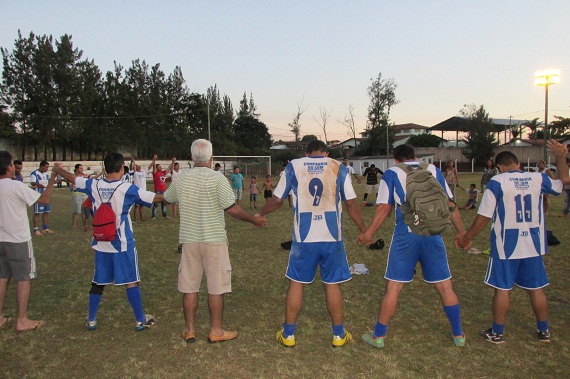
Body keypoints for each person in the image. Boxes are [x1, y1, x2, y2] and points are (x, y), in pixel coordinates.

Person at [256, 140, 366, 348]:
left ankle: (288, 335)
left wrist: (260, 213)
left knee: (296, 282)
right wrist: (364, 230)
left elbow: (277, 200)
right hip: (331, 237)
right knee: (332, 283)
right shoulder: (337, 166)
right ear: (325, 152)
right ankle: (338, 335)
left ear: (306, 153)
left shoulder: (294, 166)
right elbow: (351, 202)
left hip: (304, 238)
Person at [356, 144, 466, 349]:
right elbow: (450, 204)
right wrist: (461, 232)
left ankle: (378, 336)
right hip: (433, 235)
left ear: (395, 159)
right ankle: (458, 334)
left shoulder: (392, 173)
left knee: (394, 287)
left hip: (405, 236)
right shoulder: (433, 170)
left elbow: (385, 208)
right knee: (444, 286)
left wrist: (369, 233)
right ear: (415, 157)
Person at [457, 142, 569, 344]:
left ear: (499, 167)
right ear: (518, 163)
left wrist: (467, 237)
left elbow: (483, 215)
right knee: (536, 288)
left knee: (502, 288)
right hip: (533, 243)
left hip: (505, 244)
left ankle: (497, 332)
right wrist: (561, 157)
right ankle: (543, 330)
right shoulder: (538, 178)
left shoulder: (497, 181)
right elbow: (565, 180)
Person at [164, 139, 267, 344]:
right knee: (216, 287)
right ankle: (216, 331)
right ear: (211, 158)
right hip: (214, 240)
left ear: (192, 158)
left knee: (189, 286)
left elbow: (167, 198)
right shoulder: (218, 179)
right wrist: (252, 219)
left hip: (189, 240)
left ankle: (190, 330)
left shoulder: (182, 178)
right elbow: (232, 208)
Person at [53, 152, 164, 332]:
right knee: (132, 280)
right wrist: (178, 193)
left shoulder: (93, 184)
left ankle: (91, 320)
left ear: (104, 169)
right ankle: (140, 319)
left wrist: (58, 169)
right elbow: (155, 197)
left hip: (101, 243)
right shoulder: (127, 188)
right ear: (122, 169)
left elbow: (73, 178)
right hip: (122, 243)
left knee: (98, 281)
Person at [0, 151, 56, 332]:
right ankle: (22, 320)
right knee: (24, 278)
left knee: (2, 277)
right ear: (9, 167)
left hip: (1, 239)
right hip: (18, 240)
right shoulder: (15, 186)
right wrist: (53, 178)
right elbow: (44, 199)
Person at [30, 160, 55, 236]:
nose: (47, 169)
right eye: (46, 167)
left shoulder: (46, 174)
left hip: (46, 195)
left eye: (48, 167)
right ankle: (36, 230)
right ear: (41, 166)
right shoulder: (34, 173)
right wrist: (40, 185)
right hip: (38, 196)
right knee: (37, 213)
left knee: (46, 212)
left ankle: (45, 228)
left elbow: (50, 181)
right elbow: (33, 182)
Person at [149, 155, 174, 219]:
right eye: (159, 166)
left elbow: (169, 168)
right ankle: (153, 216)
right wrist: (154, 160)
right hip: (158, 190)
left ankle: (165, 215)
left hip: (163, 190)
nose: (161, 167)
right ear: (157, 168)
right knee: (156, 203)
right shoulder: (155, 173)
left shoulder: (163, 173)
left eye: (161, 166)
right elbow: (154, 167)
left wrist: (173, 162)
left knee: (164, 203)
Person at [70, 164, 91, 231]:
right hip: (76, 194)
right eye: (80, 168)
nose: (82, 169)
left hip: (84, 194)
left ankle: (85, 225)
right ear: (76, 169)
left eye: (82, 168)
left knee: (84, 211)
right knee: (76, 211)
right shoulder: (73, 177)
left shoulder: (85, 176)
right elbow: (70, 186)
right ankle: (74, 225)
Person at [130, 158, 148, 222]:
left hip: (143, 191)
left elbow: (149, 166)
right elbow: (133, 167)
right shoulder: (135, 173)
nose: (138, 166)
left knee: (142, 205)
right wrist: (133, 161)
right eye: (137, 166)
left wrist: (154, 160)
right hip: (138, 191)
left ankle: (142, 217)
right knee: (136, 206)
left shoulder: (143, 172)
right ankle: (135, 218)